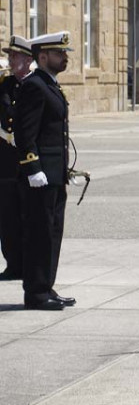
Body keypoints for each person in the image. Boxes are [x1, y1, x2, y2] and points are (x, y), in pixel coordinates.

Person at [15, 31, 77, 310]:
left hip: (54, 174)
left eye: (65, 54)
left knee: (52, 233)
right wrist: (32, 168)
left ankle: (46, 286)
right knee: (39, 234)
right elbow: (25, 133)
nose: (65, 58)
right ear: (42, 57)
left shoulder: (50, 84)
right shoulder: (34, 86)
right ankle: (35, 293)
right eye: (59, 54)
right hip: (39, 177)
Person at [0, 36, 32, 281]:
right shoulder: (4, 84)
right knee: (8, 217)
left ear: (28, 59)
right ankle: (13, 265)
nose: (10, 60)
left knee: (30, 216)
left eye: (14, 56)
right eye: (9, 56)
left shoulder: (36, 85)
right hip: (7, 162)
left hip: (30, 161)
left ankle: (31, 264)